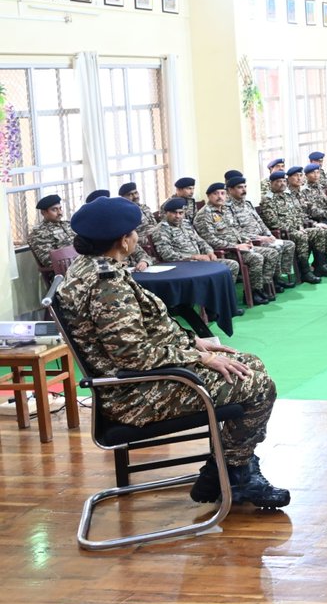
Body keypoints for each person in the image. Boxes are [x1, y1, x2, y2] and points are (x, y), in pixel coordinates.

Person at [55, 197, 289, 508]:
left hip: (150, 375)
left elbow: (144, 331)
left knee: (249, 363)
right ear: (124, 241)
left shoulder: (93, 267)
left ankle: (228, 466)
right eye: (135, 232)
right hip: (135, 392)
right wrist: (200, 358)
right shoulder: (107, 286)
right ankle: (235, 472)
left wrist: (193, 342)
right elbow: (133, 355)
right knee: (259, 386)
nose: (138, 237)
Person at [193, 182, 274, 305]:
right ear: (209, 196)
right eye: (216, 194)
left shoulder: (225, 210)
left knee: (270, 253)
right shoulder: (204, 214)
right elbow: (209, 239)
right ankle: (252, 293)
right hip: (226, 252)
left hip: (240, 247)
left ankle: (261, 288)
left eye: (222, 193)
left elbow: (238, 229)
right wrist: (236, 246)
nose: (220, 196)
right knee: (256, 258)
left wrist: (246, 240)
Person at [258, 169, 324, 284]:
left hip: (297, 229)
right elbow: (273, 222)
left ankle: (319, 265)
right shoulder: (267, 199)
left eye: (283, 181)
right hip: (284, 233)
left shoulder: (288, 196)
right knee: (300, 236)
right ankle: (305, 272)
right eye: (278, 181)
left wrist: (300, 226)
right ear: (271, 184)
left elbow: (298, 214)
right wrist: (295, 229)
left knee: (319, 232)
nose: (282, 183)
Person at [29, 194, 75, 269]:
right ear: (43, 213)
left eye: (60, 208)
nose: (60, 213)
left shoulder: (68, 225)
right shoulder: (39, 232)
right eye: (54, 209)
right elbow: (49, 261)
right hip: (64, 270)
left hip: (80, 264)